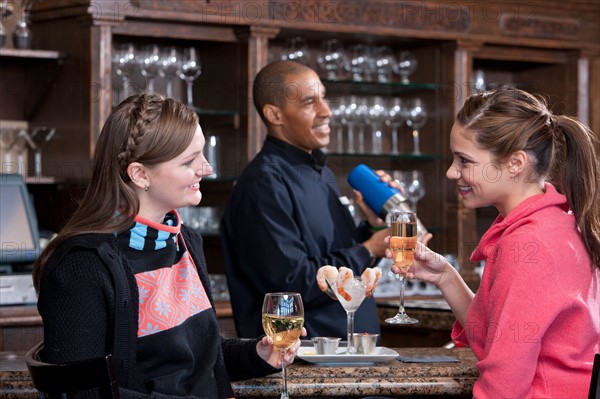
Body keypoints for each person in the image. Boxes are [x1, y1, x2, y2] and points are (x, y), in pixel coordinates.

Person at [31, 93, 304, 399]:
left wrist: (258, 354)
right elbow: (82, 394)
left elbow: (197, 360)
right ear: (139, 174)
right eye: (189, 161)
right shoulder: (81, 265)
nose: (207, 169)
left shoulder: (185, 241)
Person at [393, 87, 600, 398]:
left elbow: (504, 385)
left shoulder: (530, 245)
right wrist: (445, 276)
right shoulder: (556, 223)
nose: (452, 172)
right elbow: (498, 340)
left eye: (464, 160)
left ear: (515, 162)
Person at [221, 60, 404, 339]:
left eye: (324, 98)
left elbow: (334, 258)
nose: (326, 111)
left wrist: (373, 226)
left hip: (346, 353)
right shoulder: (263, 183)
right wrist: (368, 249)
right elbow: (292, 283)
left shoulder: (318, 169)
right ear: (275, 115)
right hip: (304, 360)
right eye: (310, 102)